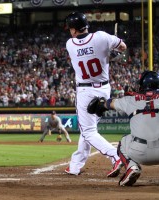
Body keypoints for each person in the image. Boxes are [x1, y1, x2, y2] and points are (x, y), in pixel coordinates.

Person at [64, 12, 127, 177]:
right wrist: (112, 52)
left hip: (86, 91)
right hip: (104, 90)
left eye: (70, 28)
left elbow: (87, 54)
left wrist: (107, 54)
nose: (70, 31)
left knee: (89, 131)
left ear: (74, 29)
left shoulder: (70, 44)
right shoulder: (102, 37)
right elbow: (123, 48)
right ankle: (75, 165)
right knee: (88, 129)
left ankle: (116, 156)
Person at [87, 70, 159, 186]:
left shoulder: (130, 99)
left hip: (140, 152)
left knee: (124, 141)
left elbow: (108, 103)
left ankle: (132, 167)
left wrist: (100, 104)